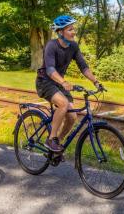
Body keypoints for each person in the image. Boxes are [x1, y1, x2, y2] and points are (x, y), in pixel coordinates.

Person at [36, 15, 102, 153]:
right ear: (60, 32)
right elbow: (50, 69)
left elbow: (83, 67)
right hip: (45, 82)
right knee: (63, 104)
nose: (74, 32)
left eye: (74, 29)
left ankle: (57, 144)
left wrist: (96, 82)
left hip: (58, 83)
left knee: (72, 117)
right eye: (70, 29)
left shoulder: (73, 46)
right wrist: (64, 82)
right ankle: (51, 139)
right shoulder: (51, 46)